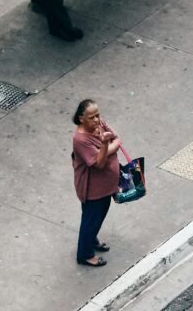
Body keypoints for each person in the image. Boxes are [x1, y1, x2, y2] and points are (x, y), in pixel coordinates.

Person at [71, 99, 120, 267]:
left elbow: (117, 139)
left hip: (104, 187)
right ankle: (85, 254)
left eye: (98, 115)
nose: (97, 120)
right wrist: (106, 145)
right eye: (92, 117)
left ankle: (91, 240)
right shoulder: (80, 140)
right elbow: (99, 163)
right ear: (81, 118)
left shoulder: (99, 125)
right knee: (91, 220)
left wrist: (106, 149)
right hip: (93, 189)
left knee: (96, 218)